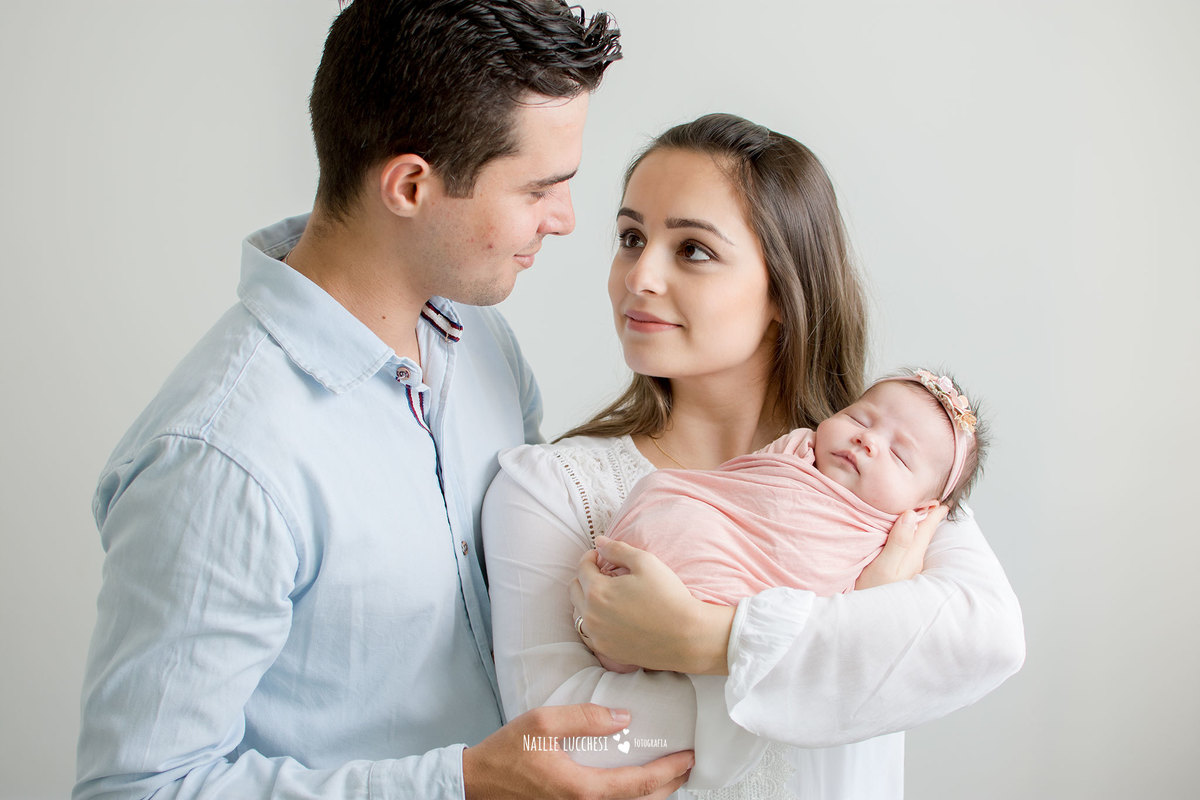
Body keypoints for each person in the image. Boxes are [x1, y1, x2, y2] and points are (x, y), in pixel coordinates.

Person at [75, 3, 697, 799]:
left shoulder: (480, 343)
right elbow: (136, 789)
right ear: (410, 185)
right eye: (540, 188)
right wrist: (463, 784)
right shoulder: (220, 457)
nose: (567, 220)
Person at [482, 114, 1025, 797]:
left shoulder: (890, 474)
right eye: (630, 238)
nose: (639, 277)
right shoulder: (552, 489)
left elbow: (987, 643)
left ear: (783, 289)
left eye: (693, 250)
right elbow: (571, 744)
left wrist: (701, 639)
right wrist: (856, 646)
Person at [589, 369, 988, 672]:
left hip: (736, 612)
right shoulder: (797, 448)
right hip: (695, 530)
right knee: (659, 490)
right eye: (859, 420)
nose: (867, 440)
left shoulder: (891, 541)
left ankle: (658, 616)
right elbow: (729, 493)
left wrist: (875, 589)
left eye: (900, 455)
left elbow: (839, 617)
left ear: (921, 510)